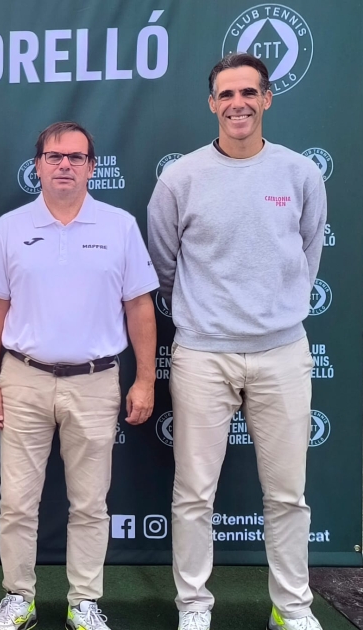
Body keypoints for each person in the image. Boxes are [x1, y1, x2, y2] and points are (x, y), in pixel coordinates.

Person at [147, 53, 327, 630]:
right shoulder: (180, 178)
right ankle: (194, 607)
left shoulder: (301, 173)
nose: (238, 104)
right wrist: (205, 317)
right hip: (202, 352)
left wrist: (273, 311)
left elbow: (306, 254)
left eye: (249, 92)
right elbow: (165, 264)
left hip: (282, 350)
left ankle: (292, 609)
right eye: (226, 95)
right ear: (212, 104)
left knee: (288, 496)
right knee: (194, 494)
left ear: (267, 98)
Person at [0, 122, 158, 630]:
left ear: (92, 167)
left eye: (76, 158)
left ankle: (84, 600)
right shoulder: (10, 226)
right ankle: (19, 598)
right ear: (37, 165)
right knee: (16, 503)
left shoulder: (119, 225)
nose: (64, 165)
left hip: (96, 380)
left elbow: (140, 306)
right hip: (23, 378)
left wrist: (144, 379)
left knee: (90, 502)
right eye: (54, 156)